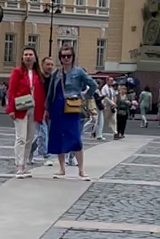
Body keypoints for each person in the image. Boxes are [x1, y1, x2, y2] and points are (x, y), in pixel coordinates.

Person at [46, 45, 98, 180]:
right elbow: (50, 92)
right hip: (57, 108)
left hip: (72, 107)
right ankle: (62, 168)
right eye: (63, 56)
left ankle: (81, 170)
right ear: (60, 58)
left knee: (75, 137)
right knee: (58, 137)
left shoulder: (79, 72)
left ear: (73, 57)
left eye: (69, 55)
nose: (66, 58)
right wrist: (47, 108)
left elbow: (93, 84)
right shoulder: (56, 73)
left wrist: (84, 96)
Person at [6, 47, 45, 178]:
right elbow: (11, 91)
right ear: (22, 57)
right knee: (21, 137)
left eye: (30, 54)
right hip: (20, 107)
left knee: (29, 138)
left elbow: (41, 93)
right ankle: (19, 165)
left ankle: (25, 163)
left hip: (35, 108)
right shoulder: (17, 72)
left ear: (35, 57)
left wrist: (43, 110)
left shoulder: (37, 74)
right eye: (26, 55)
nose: (28, 57)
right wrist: (11, 108)